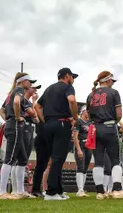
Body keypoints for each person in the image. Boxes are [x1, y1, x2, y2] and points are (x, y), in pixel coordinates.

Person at [35, 67, 79, 201]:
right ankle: (51, 192)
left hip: (49, 125)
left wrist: (45, 120)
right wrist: (75, 117)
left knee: (56, 159)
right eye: (72, 76)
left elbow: (37, 106)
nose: (73, 79)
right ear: (67, 76)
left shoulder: (49, 88)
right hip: (61, 123)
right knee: (58, 159)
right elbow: (71, 100)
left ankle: (59, 191)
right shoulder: (68, 87)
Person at [86, 71, 123, 200]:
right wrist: (113, 122)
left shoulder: (90, 95)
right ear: (108, 80)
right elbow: (119, 114)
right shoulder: (114, 92)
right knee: (115, 160)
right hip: (109, 127)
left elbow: (88, 115)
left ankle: (100, 191)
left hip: (95, 128)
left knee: (98, 162)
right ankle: (116, 189)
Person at [0, 73, 37, 200]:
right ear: (23, 81)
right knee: (9, 159)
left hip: (12, 125)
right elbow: (16, 102)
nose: (31, 84)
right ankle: (2, 192)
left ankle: (20, 191)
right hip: (15, 125)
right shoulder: (18, 90)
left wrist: (8, 120)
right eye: (29, 81)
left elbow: (1, 110)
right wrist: (16, 116)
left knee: (23, 159)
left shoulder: (11, 92)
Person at [73, 105, 92, 197]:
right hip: (81, 144)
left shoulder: (90, 123)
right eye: (87, 111)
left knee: (85, 168)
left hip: (89, 146)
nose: (89, 113)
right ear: (83, 111)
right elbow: (75, 136)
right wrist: (78, 149)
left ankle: (82, 189)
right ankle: (79, 189)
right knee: (80, 167)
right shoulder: (79, 121)